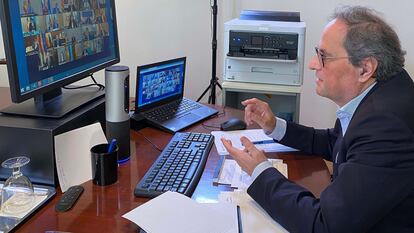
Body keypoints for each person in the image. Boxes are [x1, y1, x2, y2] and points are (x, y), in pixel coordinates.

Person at [221, 5, 414, 233]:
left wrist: (260, 170)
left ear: (365, 69)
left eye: (323, 56)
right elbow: (337, 143)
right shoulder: (380, 95)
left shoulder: (386, 126)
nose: (313, 64)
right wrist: (275, 127)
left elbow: (324, 226)